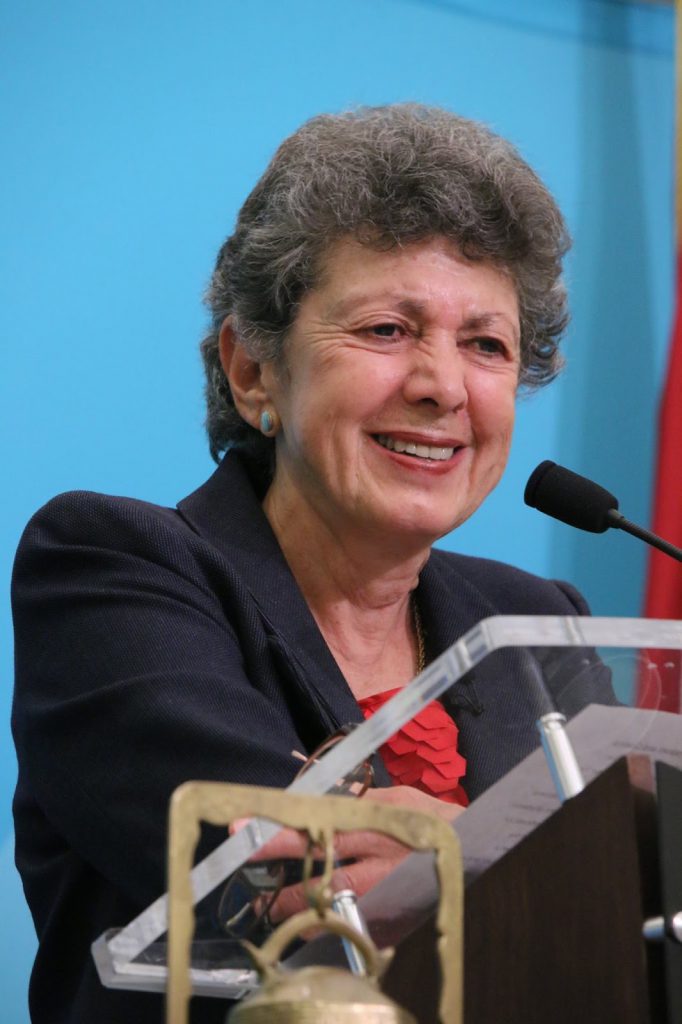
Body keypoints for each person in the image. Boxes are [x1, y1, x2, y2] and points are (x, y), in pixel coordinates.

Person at [12, 104, 613, 1024]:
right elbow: (269, 856)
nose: (443, 385)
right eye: (385, 329)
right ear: (254, 371)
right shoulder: (113, 569)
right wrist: (519, 863)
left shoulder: (536, 622)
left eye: (486, 345)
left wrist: (462, 855)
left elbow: (630, 907)